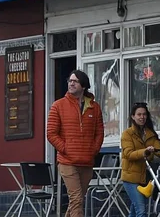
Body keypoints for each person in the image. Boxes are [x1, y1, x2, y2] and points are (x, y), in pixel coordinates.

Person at [47, 70, 104, 217]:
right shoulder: (58, 105)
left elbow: (99, 132)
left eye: (75, 81)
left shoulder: (94, 107)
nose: (71, 83)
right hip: (67, 161)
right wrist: (66, 148)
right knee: (77, 199)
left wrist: (94, 150)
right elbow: (51, 133)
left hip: (86, 160)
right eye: (70, 80)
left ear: (83, 86)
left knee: (76, 202)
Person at [120, 103, 160, 217]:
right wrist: (145, 151)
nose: (142, 117)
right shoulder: (127, 134)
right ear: (133, 116)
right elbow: (128, 154)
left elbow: (159, 150)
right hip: (131, 178)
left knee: (135, 211)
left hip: (145, 178)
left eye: (144, 114)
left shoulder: (151, 134)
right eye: (139, 114)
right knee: (141, 211)